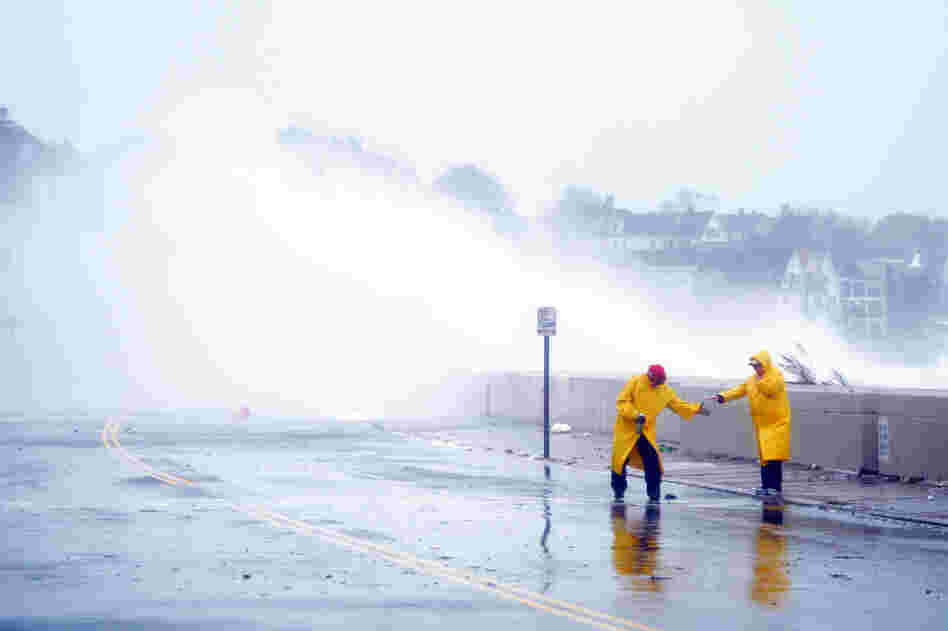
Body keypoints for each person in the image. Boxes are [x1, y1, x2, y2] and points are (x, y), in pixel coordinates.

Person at [611, 364, 710, 503]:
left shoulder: (664, 391)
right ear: (650, 377)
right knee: (620, 461)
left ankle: (654, 493)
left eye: (661, 382)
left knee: (653, 462)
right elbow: (622, 402)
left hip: (645, 432)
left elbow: (678, 405)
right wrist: (635, 414)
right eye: (657, 381)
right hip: (626, 430)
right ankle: (618, 491)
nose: (659, 384)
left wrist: (697, 409)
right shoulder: (635, 382)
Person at [714, 350, 792, 499]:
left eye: (758, 366)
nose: (756, 369)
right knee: (764, 457)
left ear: (765, 364)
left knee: (773, 457)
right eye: (754, 366)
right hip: (762, 424)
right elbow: (740, 390)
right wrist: (722, 397)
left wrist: (760, 380)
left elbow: (770, 390)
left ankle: (775, 487)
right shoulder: (753, 380)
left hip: (777, 423)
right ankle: (766, 486)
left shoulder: (776, 376)